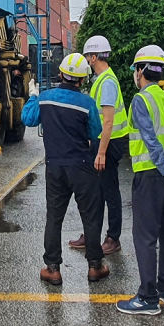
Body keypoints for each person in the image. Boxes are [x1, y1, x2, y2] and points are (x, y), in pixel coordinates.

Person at [22, 53, 110, 286]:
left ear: (60, 74)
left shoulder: (46, 98)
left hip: (55, 167)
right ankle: (95, 267)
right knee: (90, 217)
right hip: (82, 166)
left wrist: (32, 96)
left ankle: (52, 268)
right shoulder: (87, 103)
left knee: (54, 217)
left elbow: (28, 119)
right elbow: (95, 132)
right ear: (81, 80)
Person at [116, 46, 164, 316]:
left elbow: (150, 139)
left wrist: (163, 169)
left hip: (149, 174)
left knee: (144, 236)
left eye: (136, 69)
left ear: (141, 71)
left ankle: (147, 297)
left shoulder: (141, 100)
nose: (135, 74)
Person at [67, 35, 129, 255]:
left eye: (87, 57)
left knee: (110, 192)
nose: (86, 61)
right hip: (101, 143)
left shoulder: (108, 82)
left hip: (109, 145)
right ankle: (91, 234)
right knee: (95, 192)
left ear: (94, 57)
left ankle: (113, 238)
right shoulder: (101, 80)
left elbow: (109, 120)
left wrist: (101, 152)